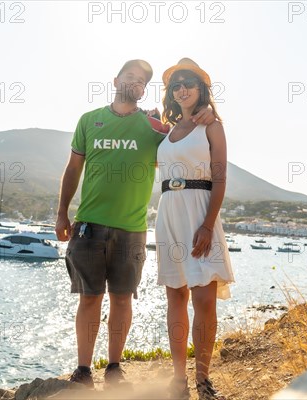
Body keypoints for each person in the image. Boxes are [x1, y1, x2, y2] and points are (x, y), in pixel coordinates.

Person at [55, 59, 215, 389]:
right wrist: (61, 213)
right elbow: (72, 170)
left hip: (132, 228)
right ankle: (84, 370)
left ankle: (114, 367)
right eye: (130, 76)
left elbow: (184, 139)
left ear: (145, 90)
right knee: (89, 298)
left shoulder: (154, 126)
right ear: (115, 80)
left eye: (142, 81)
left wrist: (206, 114)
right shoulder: (89, 120)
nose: (135, 82)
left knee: (123, 298)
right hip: (89, 224)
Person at [155, 58, 234, 399]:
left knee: (203, 298)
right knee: (176, 295)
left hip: (200, 210)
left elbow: (220, 179)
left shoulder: (212, 126)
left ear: (202, 89)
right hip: (168, 213)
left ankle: (203, 378)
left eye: (188, 82)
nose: (181, 88)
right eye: (175, 84)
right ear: (171, 93)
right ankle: (178, 378)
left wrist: (207, 224)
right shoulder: (165, 130)